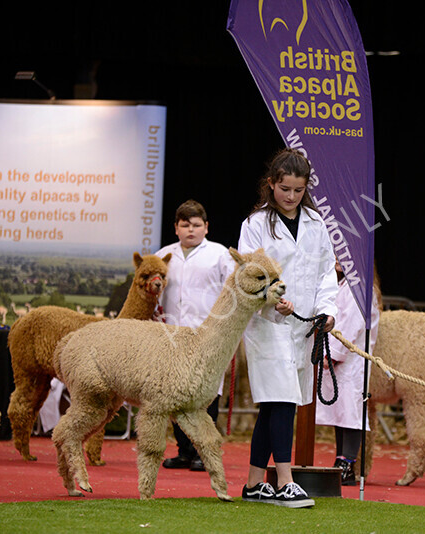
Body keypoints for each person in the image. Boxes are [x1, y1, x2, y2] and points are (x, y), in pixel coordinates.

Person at [238, 148, 338, 508]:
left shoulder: (316, 223)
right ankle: (284, 482)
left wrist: (327, 310)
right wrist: (269, 297)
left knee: (275, 404)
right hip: (268, 325)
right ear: (271, 184)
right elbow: (247, 274)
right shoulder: (255, 225)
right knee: (281, 401)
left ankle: (253, 484)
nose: (291, 196)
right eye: (284, 189)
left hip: (303, 328)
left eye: (297, 190)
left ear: (306, 188)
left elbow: (328, 272)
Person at [156, 200, 233, 472]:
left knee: (206, 394)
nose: (191, 230)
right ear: (176, 228)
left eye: (197, 225)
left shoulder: (220, 255)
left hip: (207, 336)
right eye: (185, 225)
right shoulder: (164, 255)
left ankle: (204, 451)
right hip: (172, 335)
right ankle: (184, 451)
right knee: (176, 395)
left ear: (206, 227)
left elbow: (232, 293)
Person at [315, 261, 381, 485]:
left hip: (351, 358)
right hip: (339, 356)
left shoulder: (359, 288)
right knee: (340, 410)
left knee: (351, 410)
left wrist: (334, 354)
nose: (336, 260)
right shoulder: (342, 285)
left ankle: (347, 463)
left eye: (342, 256)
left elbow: (351, 325)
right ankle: (340, 460)